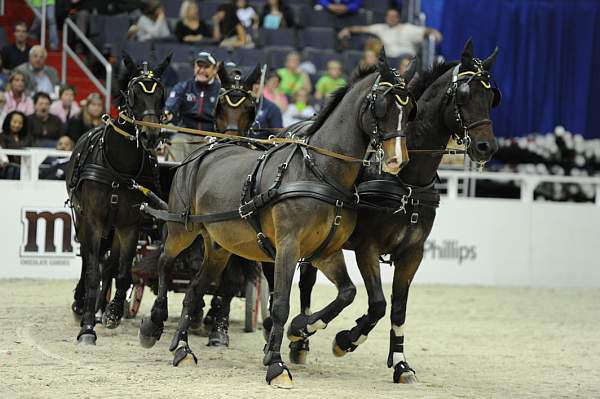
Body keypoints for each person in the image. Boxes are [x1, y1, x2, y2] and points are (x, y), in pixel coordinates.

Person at [164, 51, 221, 160]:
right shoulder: (183, 86)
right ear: (194, 67)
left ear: (214, 70)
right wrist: (166, 114)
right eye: (199, 66)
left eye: (206, 67)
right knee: (176, 142)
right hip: (185, 134)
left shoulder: (220, 91)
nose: (202, 70)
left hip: (210, 136)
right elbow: (170, 107)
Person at [338, 8, 442, 58]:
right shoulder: (381, 28)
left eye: (394, 16)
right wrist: (348, 29)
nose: (391, 19)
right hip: (389, 60)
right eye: (389, 16)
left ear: (398, 18)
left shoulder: (407, 28)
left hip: (406, 59)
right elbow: (362, 29)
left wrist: (434, 32)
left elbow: (425, 31)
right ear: (386, 18)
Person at [0, 111, 31, 179]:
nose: (17, 125)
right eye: (14, 122)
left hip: (26, 166)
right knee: (13, 170)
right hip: (7, 167)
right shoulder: (2, 136)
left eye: (20, 123)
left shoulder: (27, 137)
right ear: (8, 122)